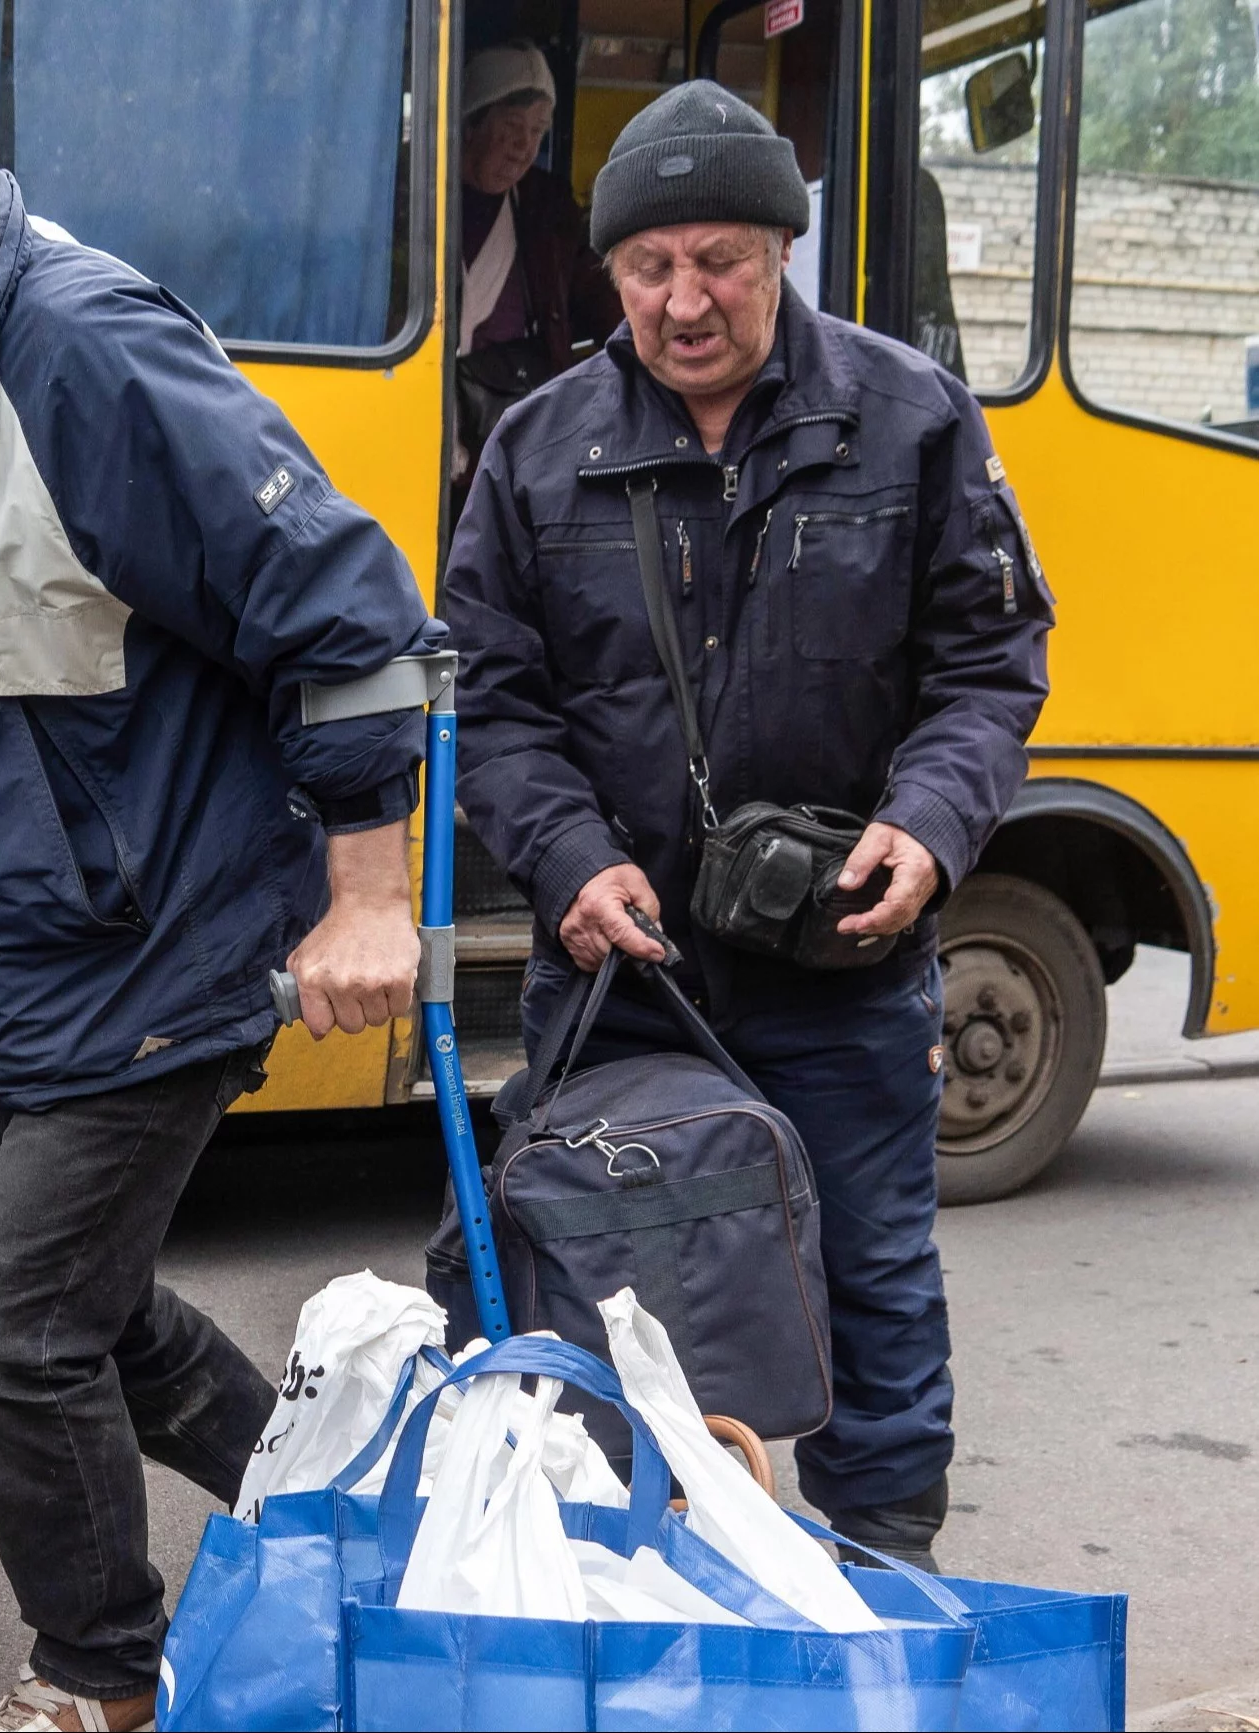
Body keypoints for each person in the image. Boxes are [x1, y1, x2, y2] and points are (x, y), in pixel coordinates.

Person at [0, 11, 441, 1728]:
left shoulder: (87, 351)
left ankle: (99, 1676)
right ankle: (354, 1527)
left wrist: (371, 893)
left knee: (6, 1332)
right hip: (24, 954)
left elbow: (344, 613)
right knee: (89, 1318)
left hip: (158, 951)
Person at [442, 81, 1053, 1572]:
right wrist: (571, 861)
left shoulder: (911, 418)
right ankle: (605, 1564)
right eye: (648, 268)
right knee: (591, 1271)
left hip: (841, 949)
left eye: (717, 260)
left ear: (782, 248)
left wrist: (927, 824)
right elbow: (489, 705)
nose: (682, 299)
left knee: (874, 1272)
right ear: (611, 273)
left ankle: (884, 1564)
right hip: (615, 964)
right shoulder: (533, 449)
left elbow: (987, 668)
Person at [451, 41, 622, 487]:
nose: (524, 146)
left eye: (538, 131)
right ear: (470, 123)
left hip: (514, 417)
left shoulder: (546, 205)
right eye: (512, 126)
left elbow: (600, 293)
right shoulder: (413, 200)